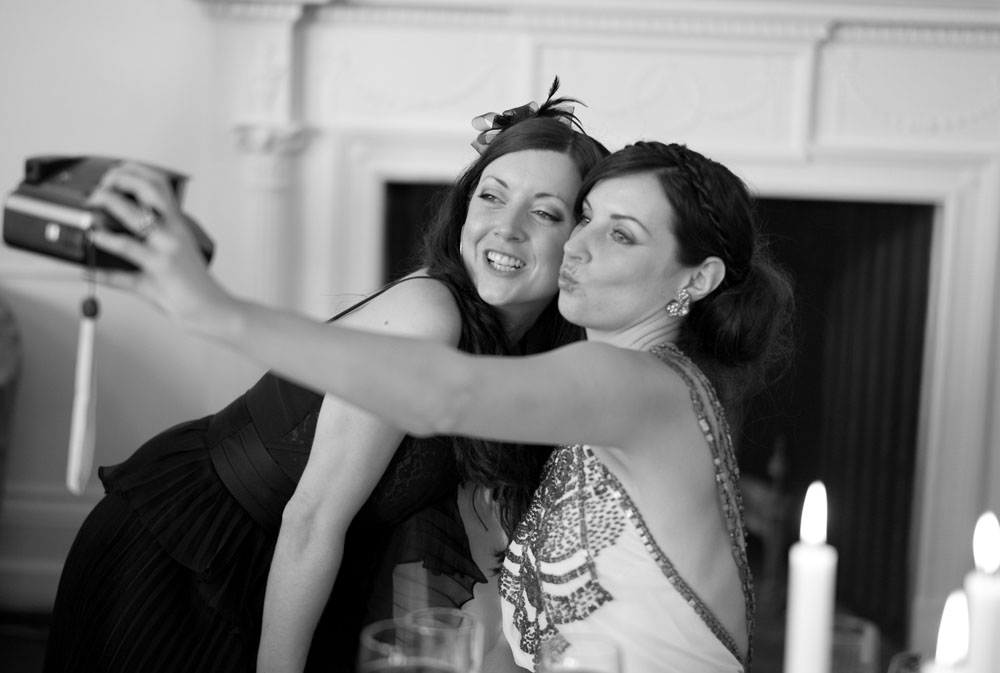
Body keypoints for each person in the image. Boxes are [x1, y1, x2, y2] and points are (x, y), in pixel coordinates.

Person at [87, 139, 796, 673]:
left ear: (698, 277)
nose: (577, 246)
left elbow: (441, 392)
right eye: (584, 218)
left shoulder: (636, 386)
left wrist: (215, 309)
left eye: (621, 233)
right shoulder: (629, 388)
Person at [43, 80, 609, 673]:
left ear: (579, 239)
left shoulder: (523, 360)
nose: (507, 227)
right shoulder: (428, 315)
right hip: (185, 549)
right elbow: (312, 516)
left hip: (270, 561)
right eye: (491, 197)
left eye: (544, 212)